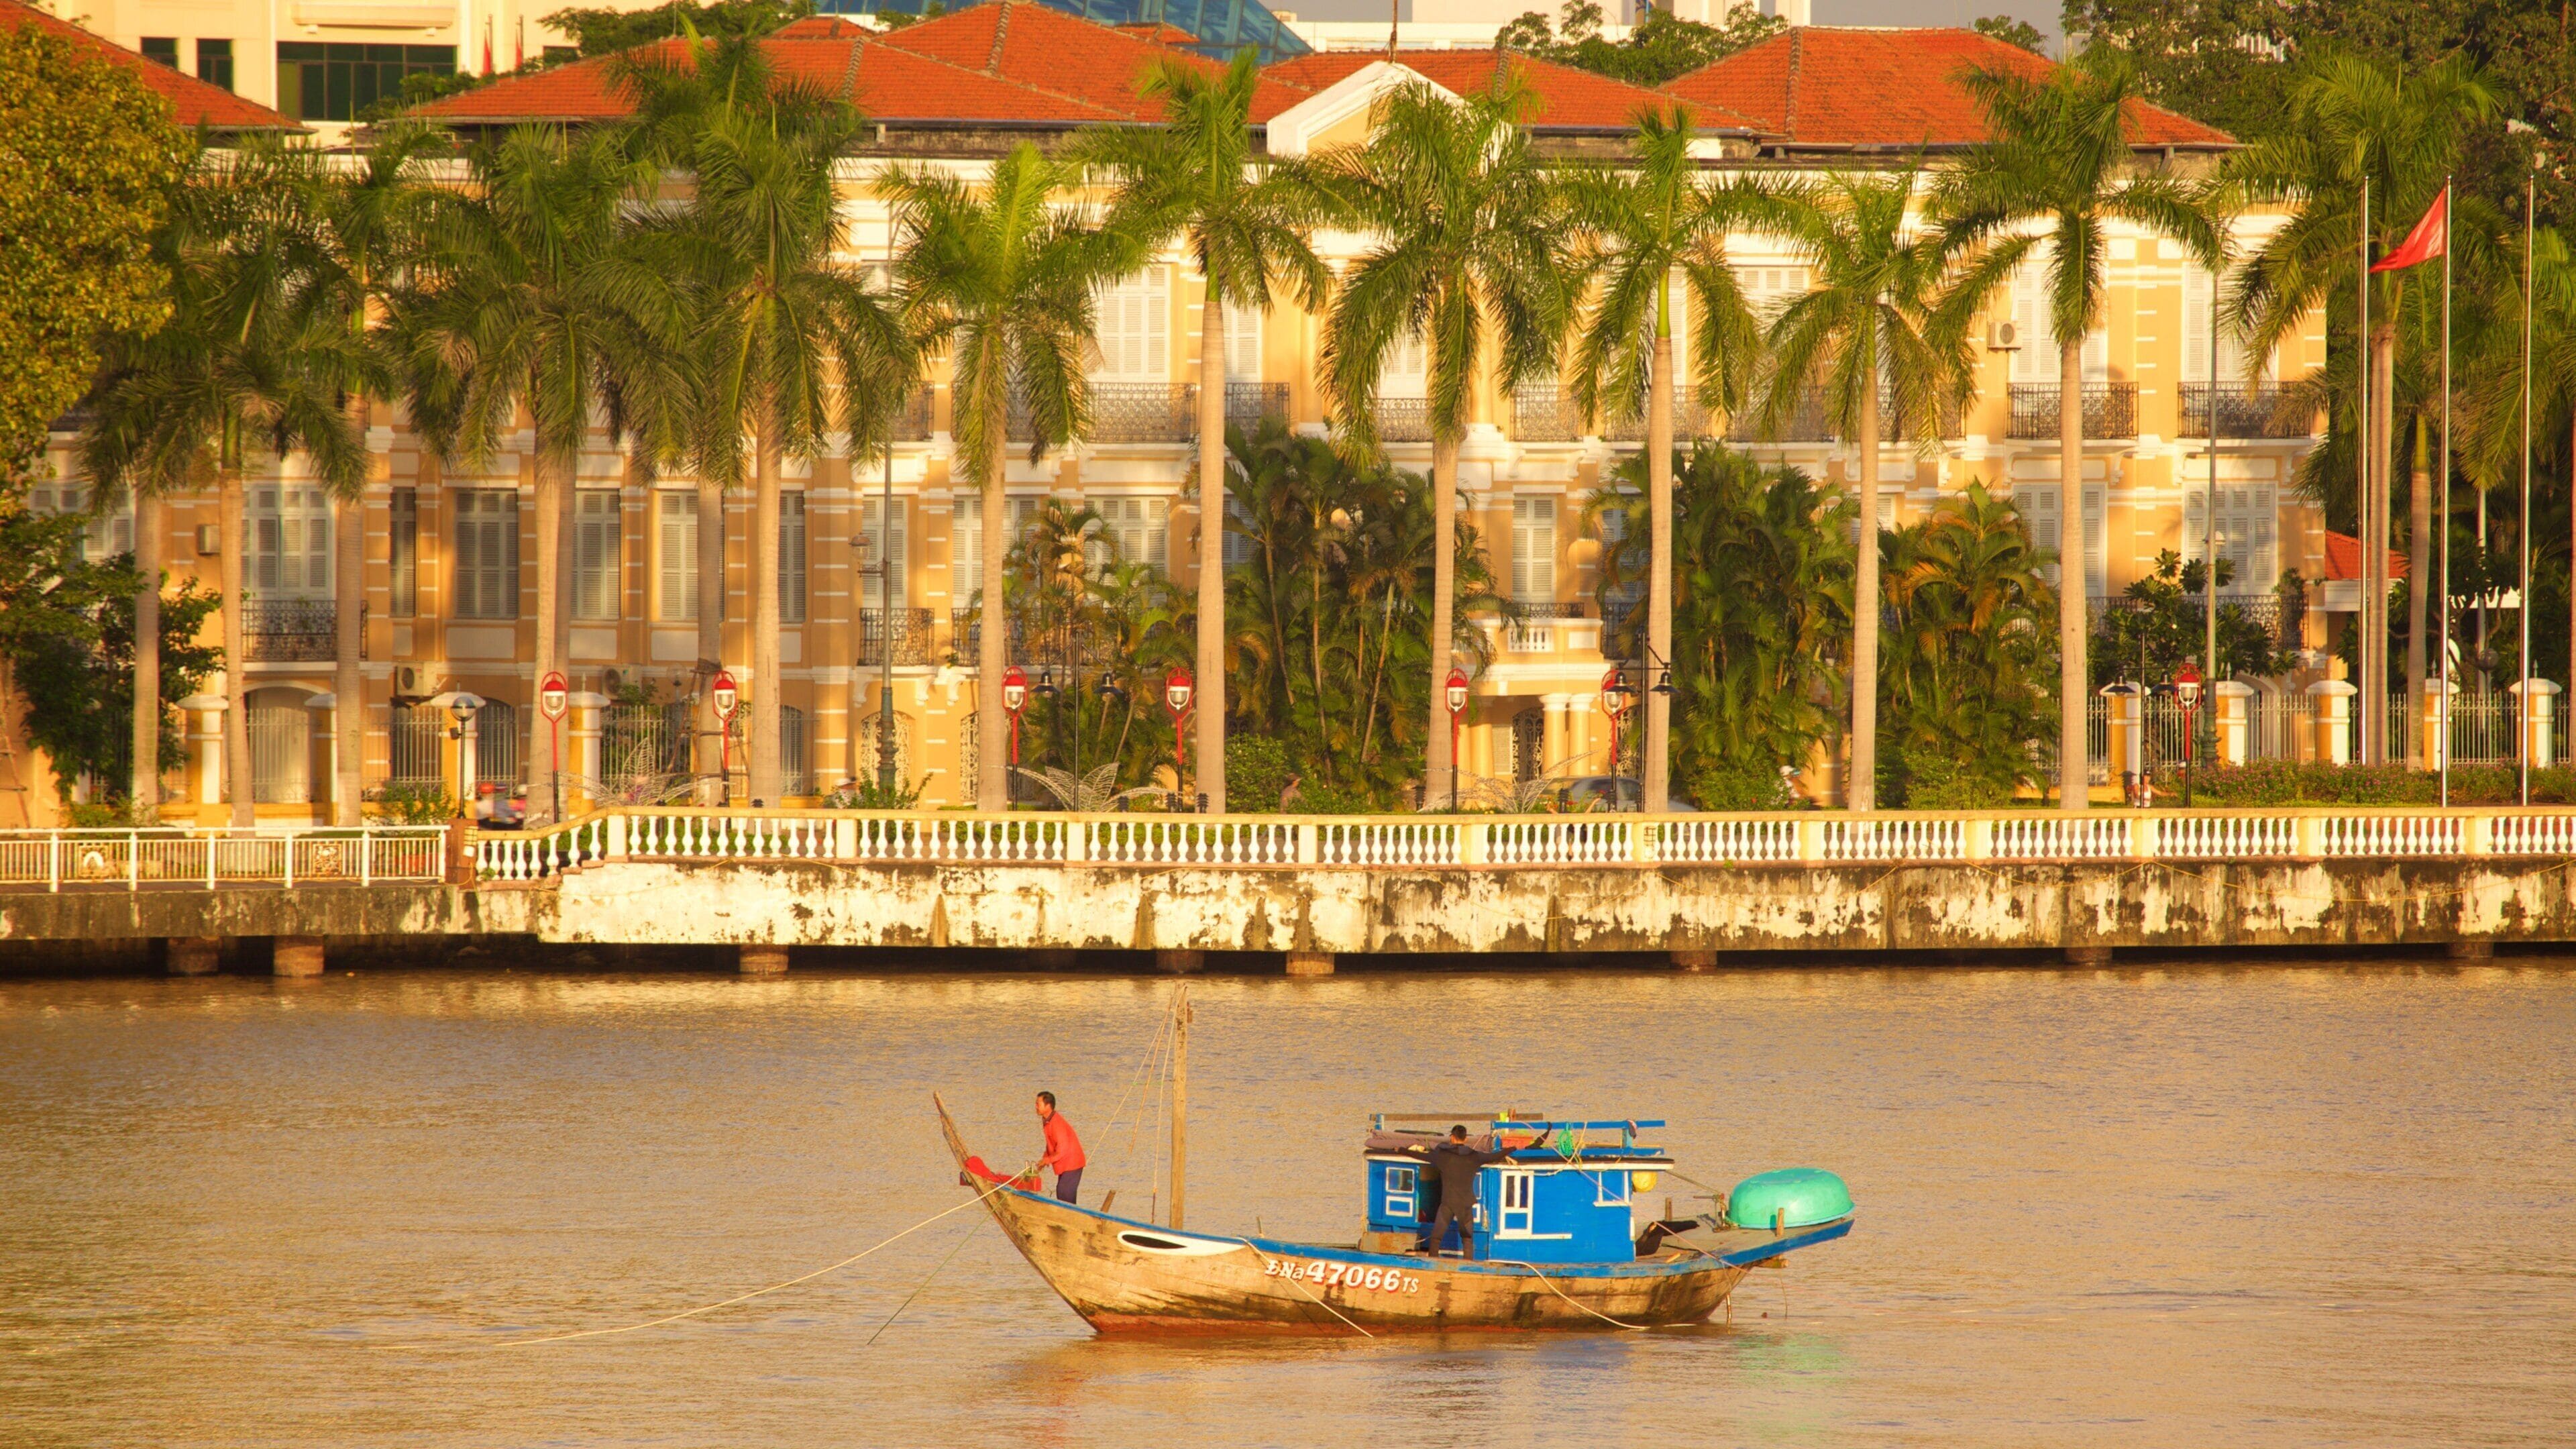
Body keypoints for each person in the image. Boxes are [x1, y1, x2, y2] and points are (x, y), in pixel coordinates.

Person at [1410, 1124, 1517, 1256]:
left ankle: (1433, 1263)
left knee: (1436, 1238)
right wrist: (1512, 1148)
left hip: (1448, 1203)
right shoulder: (1474, 1156)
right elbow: (1494, 1156)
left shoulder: (1442, 1156)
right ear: (1466, 1139)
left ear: (1452, 1138)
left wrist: (1401, 1150)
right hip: (1466, 1204)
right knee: (1467, 1239)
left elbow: (1420, 1156)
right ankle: (1468, 1264)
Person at [1034, 1091, 1085, 1204]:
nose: (1036, 1107)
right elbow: (1052, 1143)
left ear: (1048, 1106)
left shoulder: (1057, 1124)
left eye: (1038, 1104)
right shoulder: (1048, 1120)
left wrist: (1047, 1160)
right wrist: (1045, 1159)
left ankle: (1071, 1215)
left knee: (1064, 1192)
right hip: (1065, 1163)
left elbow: (1062, 1150)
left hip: (1072, 1162)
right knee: (1062, 1193)